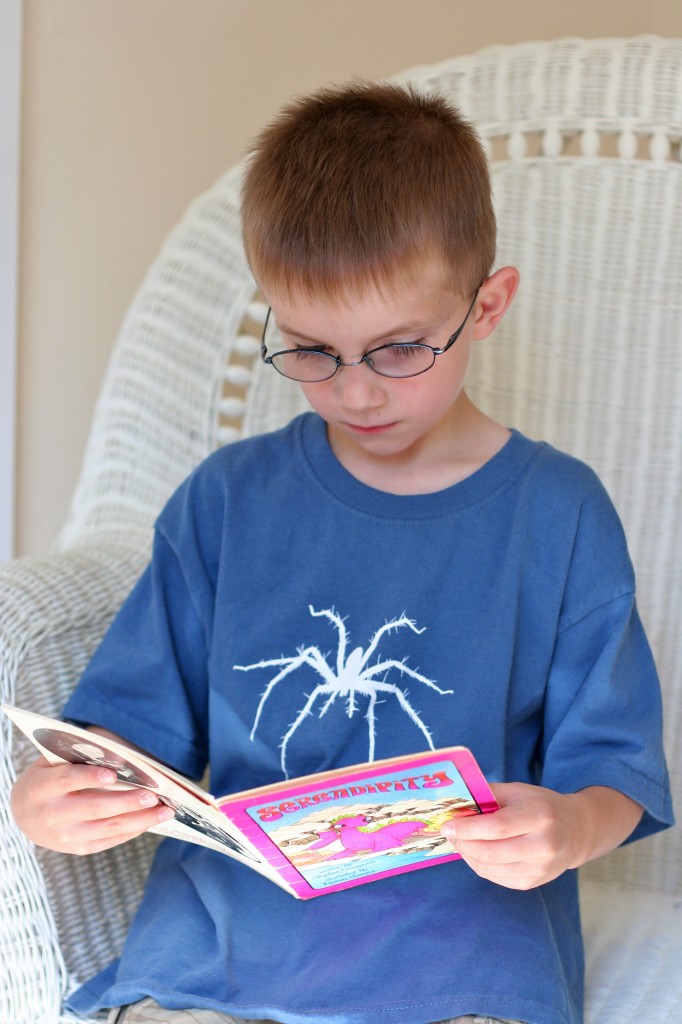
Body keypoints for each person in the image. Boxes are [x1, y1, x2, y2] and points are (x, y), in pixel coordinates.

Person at [10, 81, 673, 1024]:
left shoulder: (556, 514)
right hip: (217, 959)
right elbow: (124, 735)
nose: (356, 393)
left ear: (487, 306)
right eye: (313, 351)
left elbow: (615, 770)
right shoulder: (229, 500)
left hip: (462, 967)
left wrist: (567, 829)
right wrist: (57, 799)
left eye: (399, 349)